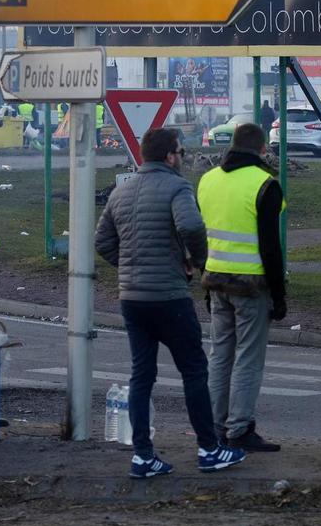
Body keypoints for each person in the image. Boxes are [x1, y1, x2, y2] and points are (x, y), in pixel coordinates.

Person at [96, 127, 245, 478]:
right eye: (180, 151)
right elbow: (192, 224)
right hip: (169, 296)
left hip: (132, 298)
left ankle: (143, 456)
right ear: (168, 156)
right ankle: (210, 449)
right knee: (193, 370)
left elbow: (103, 241)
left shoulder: (123, 189)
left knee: (141, 375)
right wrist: (197, 260)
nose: (183, 156)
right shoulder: (177, 186)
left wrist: (131, 265)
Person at [197, 122, 286, 454]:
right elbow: (270, 248)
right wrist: (279, 295)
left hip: (216, 280)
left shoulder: (208, 180)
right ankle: (240, 429)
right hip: (252, 286)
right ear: (263, 149)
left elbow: (206, 235)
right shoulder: (265, 185)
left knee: (220, 355)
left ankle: (215, 427)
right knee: (248, 359)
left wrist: (207, 285)